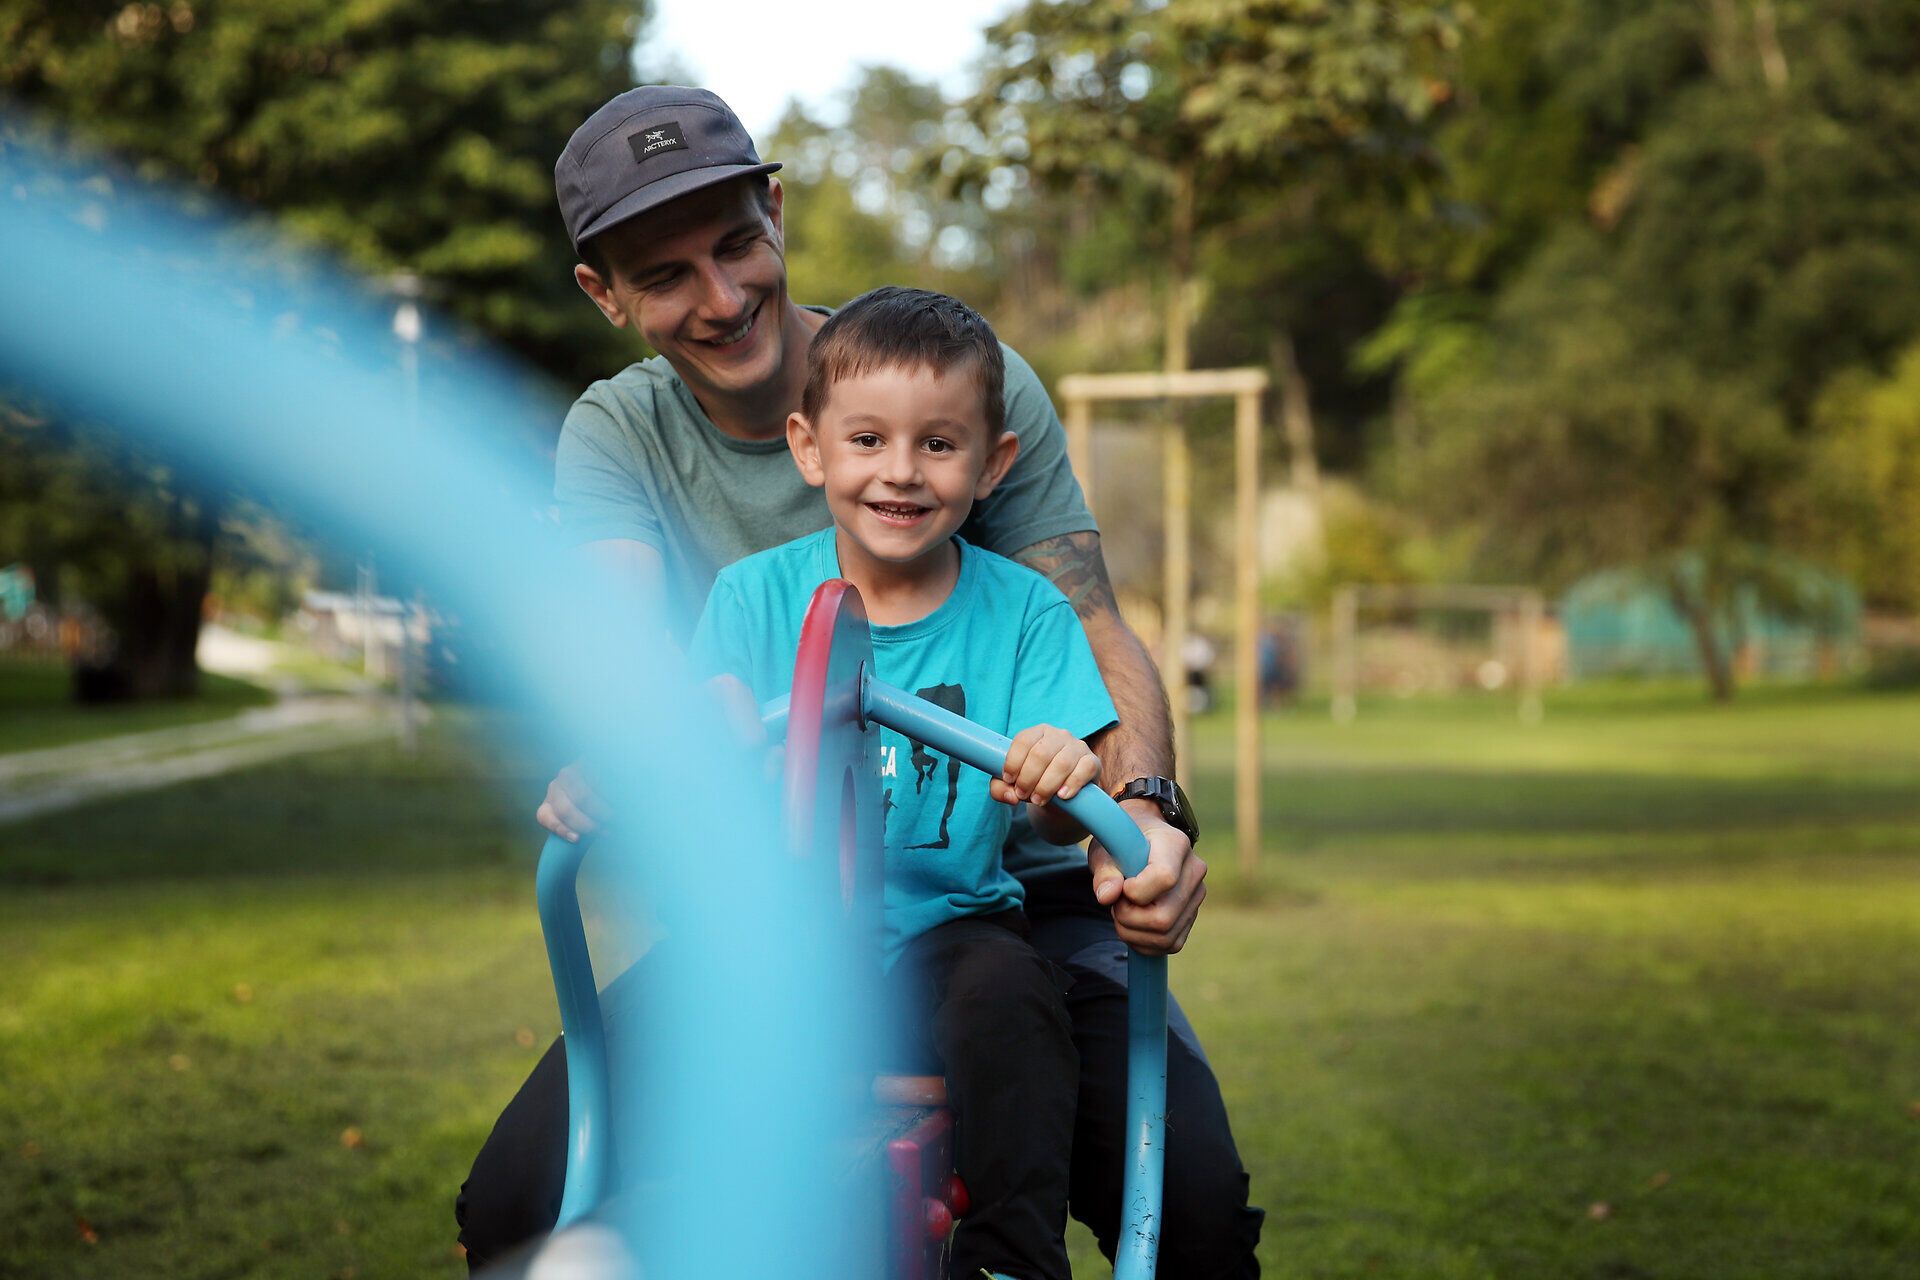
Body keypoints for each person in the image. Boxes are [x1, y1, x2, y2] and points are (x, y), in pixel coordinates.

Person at [454, 86, 1263, 1274]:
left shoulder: (960, 381)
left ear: (776, 208)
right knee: (519, 1195)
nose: (723, 298)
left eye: (737, 242)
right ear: (605, 293)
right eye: (666, 274)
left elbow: (1086, 625)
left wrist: (1140, 819)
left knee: (1189, 1200)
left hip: (1003, 893)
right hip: (777, 900)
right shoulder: (623, 439)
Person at [691, 286, 1113, 1280]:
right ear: (810, 447)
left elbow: (1060, 807)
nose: (900, 472)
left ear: (993, 461)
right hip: (781, 935)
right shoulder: (750, 597)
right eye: (869, 438)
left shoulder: (1025, 611)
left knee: (1013, 993)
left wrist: (1060, 762)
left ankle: (1009, 1255)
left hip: (946, 928)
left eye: (938, 443)